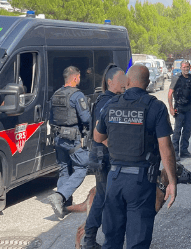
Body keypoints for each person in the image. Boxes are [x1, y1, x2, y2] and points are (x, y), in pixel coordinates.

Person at [93, 64, 177, 249]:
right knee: (137, 241)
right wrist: (172, 181)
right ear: (147, 83)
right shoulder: (156, 107)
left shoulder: (111, 104)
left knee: (112, 239)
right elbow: (165, 148)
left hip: (114, 180)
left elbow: (98, 137)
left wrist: (115, 145)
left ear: (128, 81)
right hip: (140, 182)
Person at [82, 65, 125, 249]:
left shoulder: (113, 99)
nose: (125, 83)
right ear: (110, 82)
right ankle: (90, 240)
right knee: (103, 198)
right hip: (104, 157)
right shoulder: (105, 101)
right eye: (121, 80)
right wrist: (118, 151)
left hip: (106, 156)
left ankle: (90, 240)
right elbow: (99, 132)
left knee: (104, 197)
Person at [48, 66, 92, 219]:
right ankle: (60, 196)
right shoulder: (77, 95)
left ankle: (64, 206)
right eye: (79, 77)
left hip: (59, 138)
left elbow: (50, 118)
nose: (79, 80)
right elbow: (86, 119)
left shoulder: (55, 94)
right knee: (81, 167)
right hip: (73, 139)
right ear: (75, 78)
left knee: (64, 169)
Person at [167, 60, 191, 159]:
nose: (186, 69)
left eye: (187, 67)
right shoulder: (177, 78)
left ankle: (184, 151)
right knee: (177, 131)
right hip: (179, 108)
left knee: (188, 130)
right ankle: (175, 153)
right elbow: (170, 94)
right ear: (181, 68)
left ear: (190, 68)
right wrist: (171, 108)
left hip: (188, 107)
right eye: (184, 67)